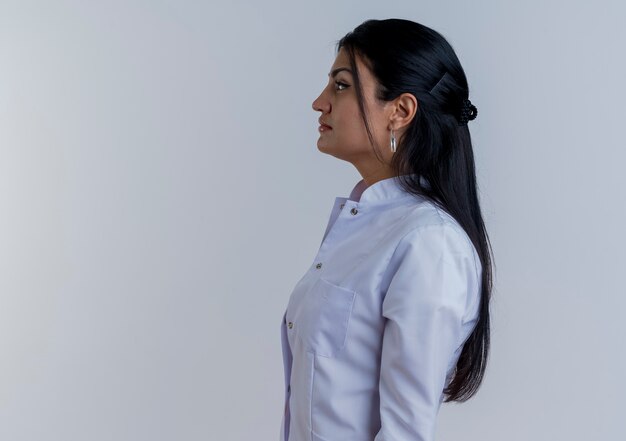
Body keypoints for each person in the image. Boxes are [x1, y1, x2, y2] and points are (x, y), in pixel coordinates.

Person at [279, 18, 493, 441]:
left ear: (401, 111)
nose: (319, 103)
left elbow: (405, 432)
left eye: (341, 85)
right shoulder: (365, 225)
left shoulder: (429, 243)